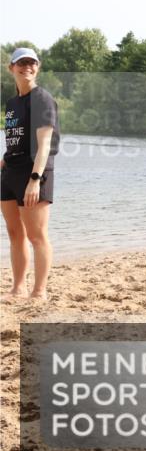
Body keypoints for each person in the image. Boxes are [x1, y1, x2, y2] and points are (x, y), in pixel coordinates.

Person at [2, 48, 59, 302]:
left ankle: (39, 291)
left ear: (38, 67)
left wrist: (35, 180)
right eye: (21, 63)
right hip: (9, 172)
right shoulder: (12, 103)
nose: (27, 67)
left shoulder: (42, 98)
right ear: (11, 67)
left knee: (37, 235)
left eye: (32, 63)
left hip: (33, 172)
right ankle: (18, 288)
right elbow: (16, 138)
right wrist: (4, 159)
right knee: (15, 233)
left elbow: (44, 144)